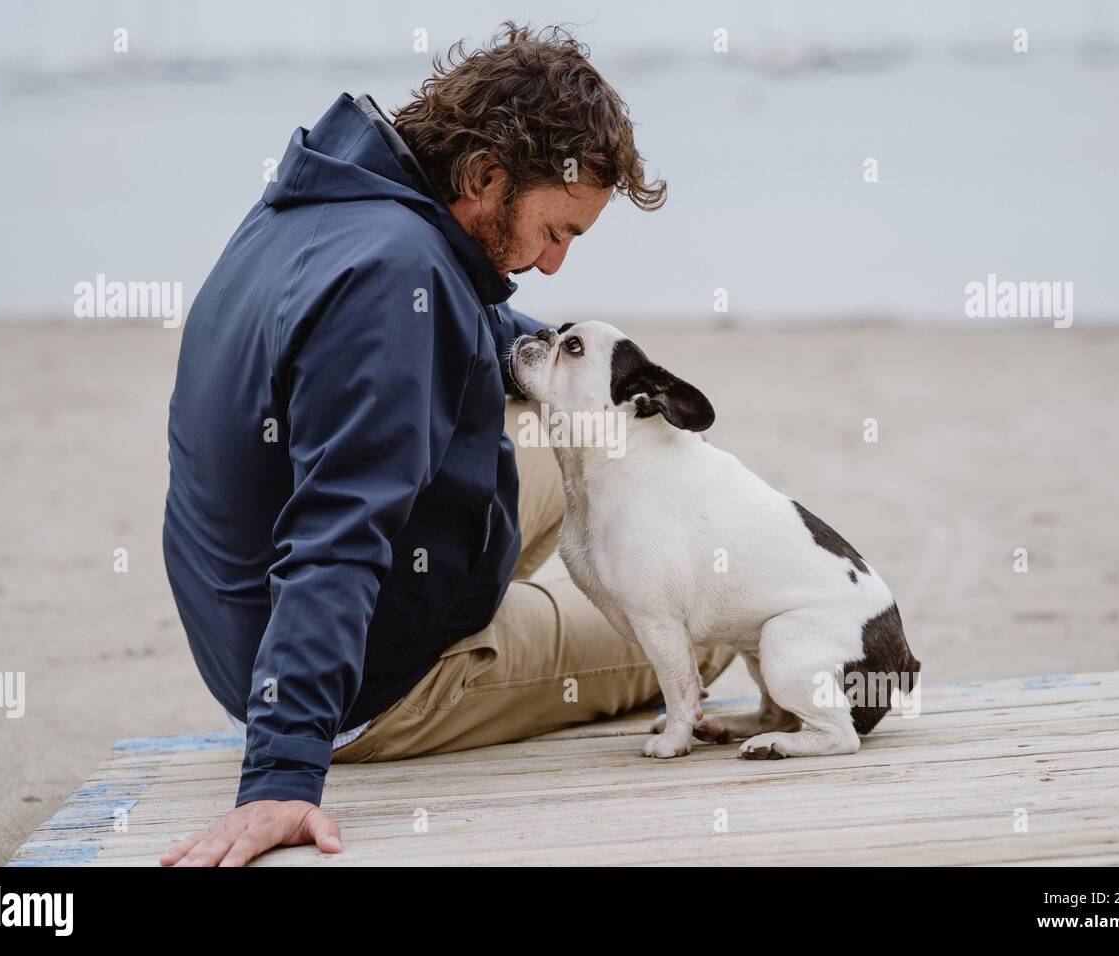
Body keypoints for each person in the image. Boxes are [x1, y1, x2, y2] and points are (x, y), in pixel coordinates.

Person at [159, 22, 735, 867]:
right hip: (368, 685)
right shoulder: (398, 285)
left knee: (600, 446)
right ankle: (478, 650)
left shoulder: (344, 197)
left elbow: (475, 320)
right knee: (708, 619)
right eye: (556, 230)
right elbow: (334, 535)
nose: (553, 265)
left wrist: (614, 378)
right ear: (484, 176)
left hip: (242, 624)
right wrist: (282, 774)